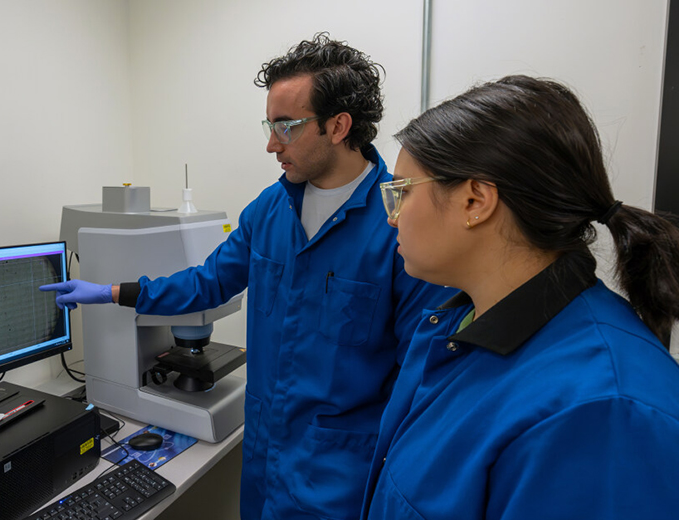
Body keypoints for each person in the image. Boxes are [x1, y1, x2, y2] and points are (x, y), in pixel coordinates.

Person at [41, 33, 454, 520]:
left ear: (338, 126)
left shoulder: (399, 225)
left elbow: (419, 382)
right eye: (269, 124)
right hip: (262, 459)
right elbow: (208, 282)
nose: (271, 144)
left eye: (287, 127)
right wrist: (111, 292)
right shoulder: (270, 209)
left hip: (338, 479)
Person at [362, 75, 679, 520]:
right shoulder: (458, 323)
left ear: (475, 201)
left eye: (401, 193)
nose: (392, 220)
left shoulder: (601, 414)